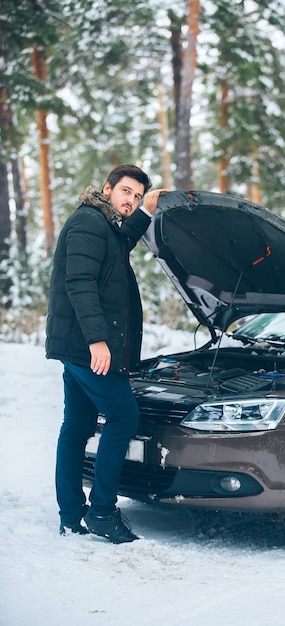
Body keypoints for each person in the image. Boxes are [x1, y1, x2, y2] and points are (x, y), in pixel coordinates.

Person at [46, 164, 167, 544]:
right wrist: (98, 341)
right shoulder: (88, 223)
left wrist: (147, 209)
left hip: (76, 347)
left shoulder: (105, 226)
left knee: (78, 427)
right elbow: (79, 283)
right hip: (87, 349)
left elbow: (121, 243)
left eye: (135, 195)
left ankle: (71, 514)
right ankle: (101, 512)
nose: (130, 200)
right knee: (123, 416)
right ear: (107, 188)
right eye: (126, 192)